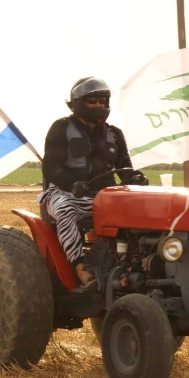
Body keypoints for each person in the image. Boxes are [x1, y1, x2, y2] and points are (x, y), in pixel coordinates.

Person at [37, 77, 148, 290]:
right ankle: (80, 268)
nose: (99, 105)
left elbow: (125, 167)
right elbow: (50, 167)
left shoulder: (114, 134)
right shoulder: (61, 128)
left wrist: (134, 179)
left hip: (104, 197)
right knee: (66, 209)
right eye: (92, 100)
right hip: (67, 194)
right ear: (77, 102)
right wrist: (72, 184)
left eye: (103, 100)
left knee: (142, 212)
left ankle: (132, 266)